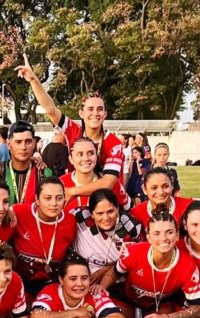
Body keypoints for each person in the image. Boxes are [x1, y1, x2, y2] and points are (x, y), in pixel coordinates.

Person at [17, 58, 129, 208]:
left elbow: (108, 183)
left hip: (107, 202)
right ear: (81, 113)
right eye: (90, 109)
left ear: (105, 114)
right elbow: (50, 109)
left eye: (100, 109)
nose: (95, 114)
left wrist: (71, 191)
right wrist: (33, 80)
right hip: (76, 196)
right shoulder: (73, 129)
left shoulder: (114, 144)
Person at [97, 207, 200, 318]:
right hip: (128, 301)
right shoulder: (133, 252)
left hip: (160, 306)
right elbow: (115, 273)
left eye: (169, 232)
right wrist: (102, 286)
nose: (163, 238)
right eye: (156, 233)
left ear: (177, 235)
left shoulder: (187, 265)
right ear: (148, 237)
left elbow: (199, 309)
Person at [29, 253, 128, 318]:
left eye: (84, 278)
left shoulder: (93, 293)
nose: (80, 284)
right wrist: (75, 313)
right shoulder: (50, 291)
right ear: (61, 280)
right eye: (73, 279)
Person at [12, 177, 77, 298]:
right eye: (47, 198)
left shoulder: (70, 221)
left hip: (53, 285)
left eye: (59, 198)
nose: (54, 204)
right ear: (37, 199)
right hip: (20, 283)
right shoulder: (19, 212)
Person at [0, 121, 53, 206]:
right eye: (18, 142)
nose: (23, 147)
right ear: (9, 144)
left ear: (34, 143)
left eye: (28, 141)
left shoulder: (44, 174)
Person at [73, 188, 131, 288]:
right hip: (82, 283)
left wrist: (104, 270)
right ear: (91, 213)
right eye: (100, 213)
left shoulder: (131, 227)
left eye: (110, 211)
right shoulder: (79, 217)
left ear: (117, 208)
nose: (106, 218)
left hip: (119, 285)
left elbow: (136, 260)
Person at [129, 168, 195, 234]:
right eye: (154, 188)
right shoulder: (136, 214)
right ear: (144, 189)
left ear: (172, 186)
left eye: (165, 186)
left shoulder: (189, 207)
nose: (160, 192)